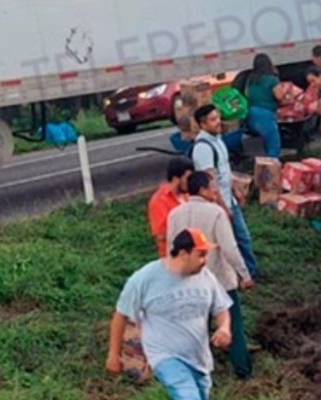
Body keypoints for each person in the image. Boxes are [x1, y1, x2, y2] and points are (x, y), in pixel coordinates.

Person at [106, 228, 232, 400]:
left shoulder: (206, 276)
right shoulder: (145, 278)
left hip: (199, 358)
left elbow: (221, 308)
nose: (205, 261)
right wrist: (114, 354)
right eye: (201, 254)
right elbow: (120, 315)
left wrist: (224, 328)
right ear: (183, 254)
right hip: (165, 356)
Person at [167, 173, 255, 379]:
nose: (216, 190)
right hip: (219, 282)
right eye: (212, 186)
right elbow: (229, 248)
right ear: (202, 190)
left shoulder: (175, 214)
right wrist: (245, 274)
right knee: (233, 325)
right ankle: (243, 371)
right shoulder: (216, 213)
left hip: (189, 281)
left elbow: (172, 248)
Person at [191, 105, 259, 278]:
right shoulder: (203, 148)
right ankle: (242, 274)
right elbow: (211, 182)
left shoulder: (218, 140)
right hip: (219, 204)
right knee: (231, 242)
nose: (218, 122)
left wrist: (235, 190)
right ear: (202, 124)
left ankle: (248, 271)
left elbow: (225, 171)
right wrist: (223, 207)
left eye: (218, 117)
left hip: (229, 200)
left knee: (242, 238)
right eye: (213, 120)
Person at [148, 156, 193, 258]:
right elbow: (161, 235)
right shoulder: (159, 201)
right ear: (176, 178)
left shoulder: (187, 195)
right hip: (174, 256)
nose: (190, 182)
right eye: (187, 178)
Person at [244, 54, 288, 158]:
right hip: (266, 115)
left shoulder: (251, 79)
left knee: (260, 145)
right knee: (273, 148)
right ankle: (270, 171)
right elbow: (279, 96)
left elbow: (247, 94)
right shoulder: (272, 80)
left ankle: (259, 166)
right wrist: (285, 90)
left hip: (252, 113)